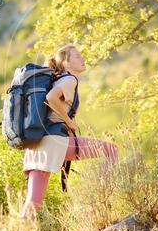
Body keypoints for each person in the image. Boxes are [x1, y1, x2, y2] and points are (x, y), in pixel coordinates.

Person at [19, 44, 119, 221]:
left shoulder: (56, 80)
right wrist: (69, 120)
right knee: (111, 150)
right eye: (77, 56)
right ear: (65, 62)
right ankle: (104, 199)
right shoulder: (69, 80)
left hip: (36, 145)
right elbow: (51, 99)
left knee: (32, 204)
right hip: (53, 143)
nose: (82, 58)